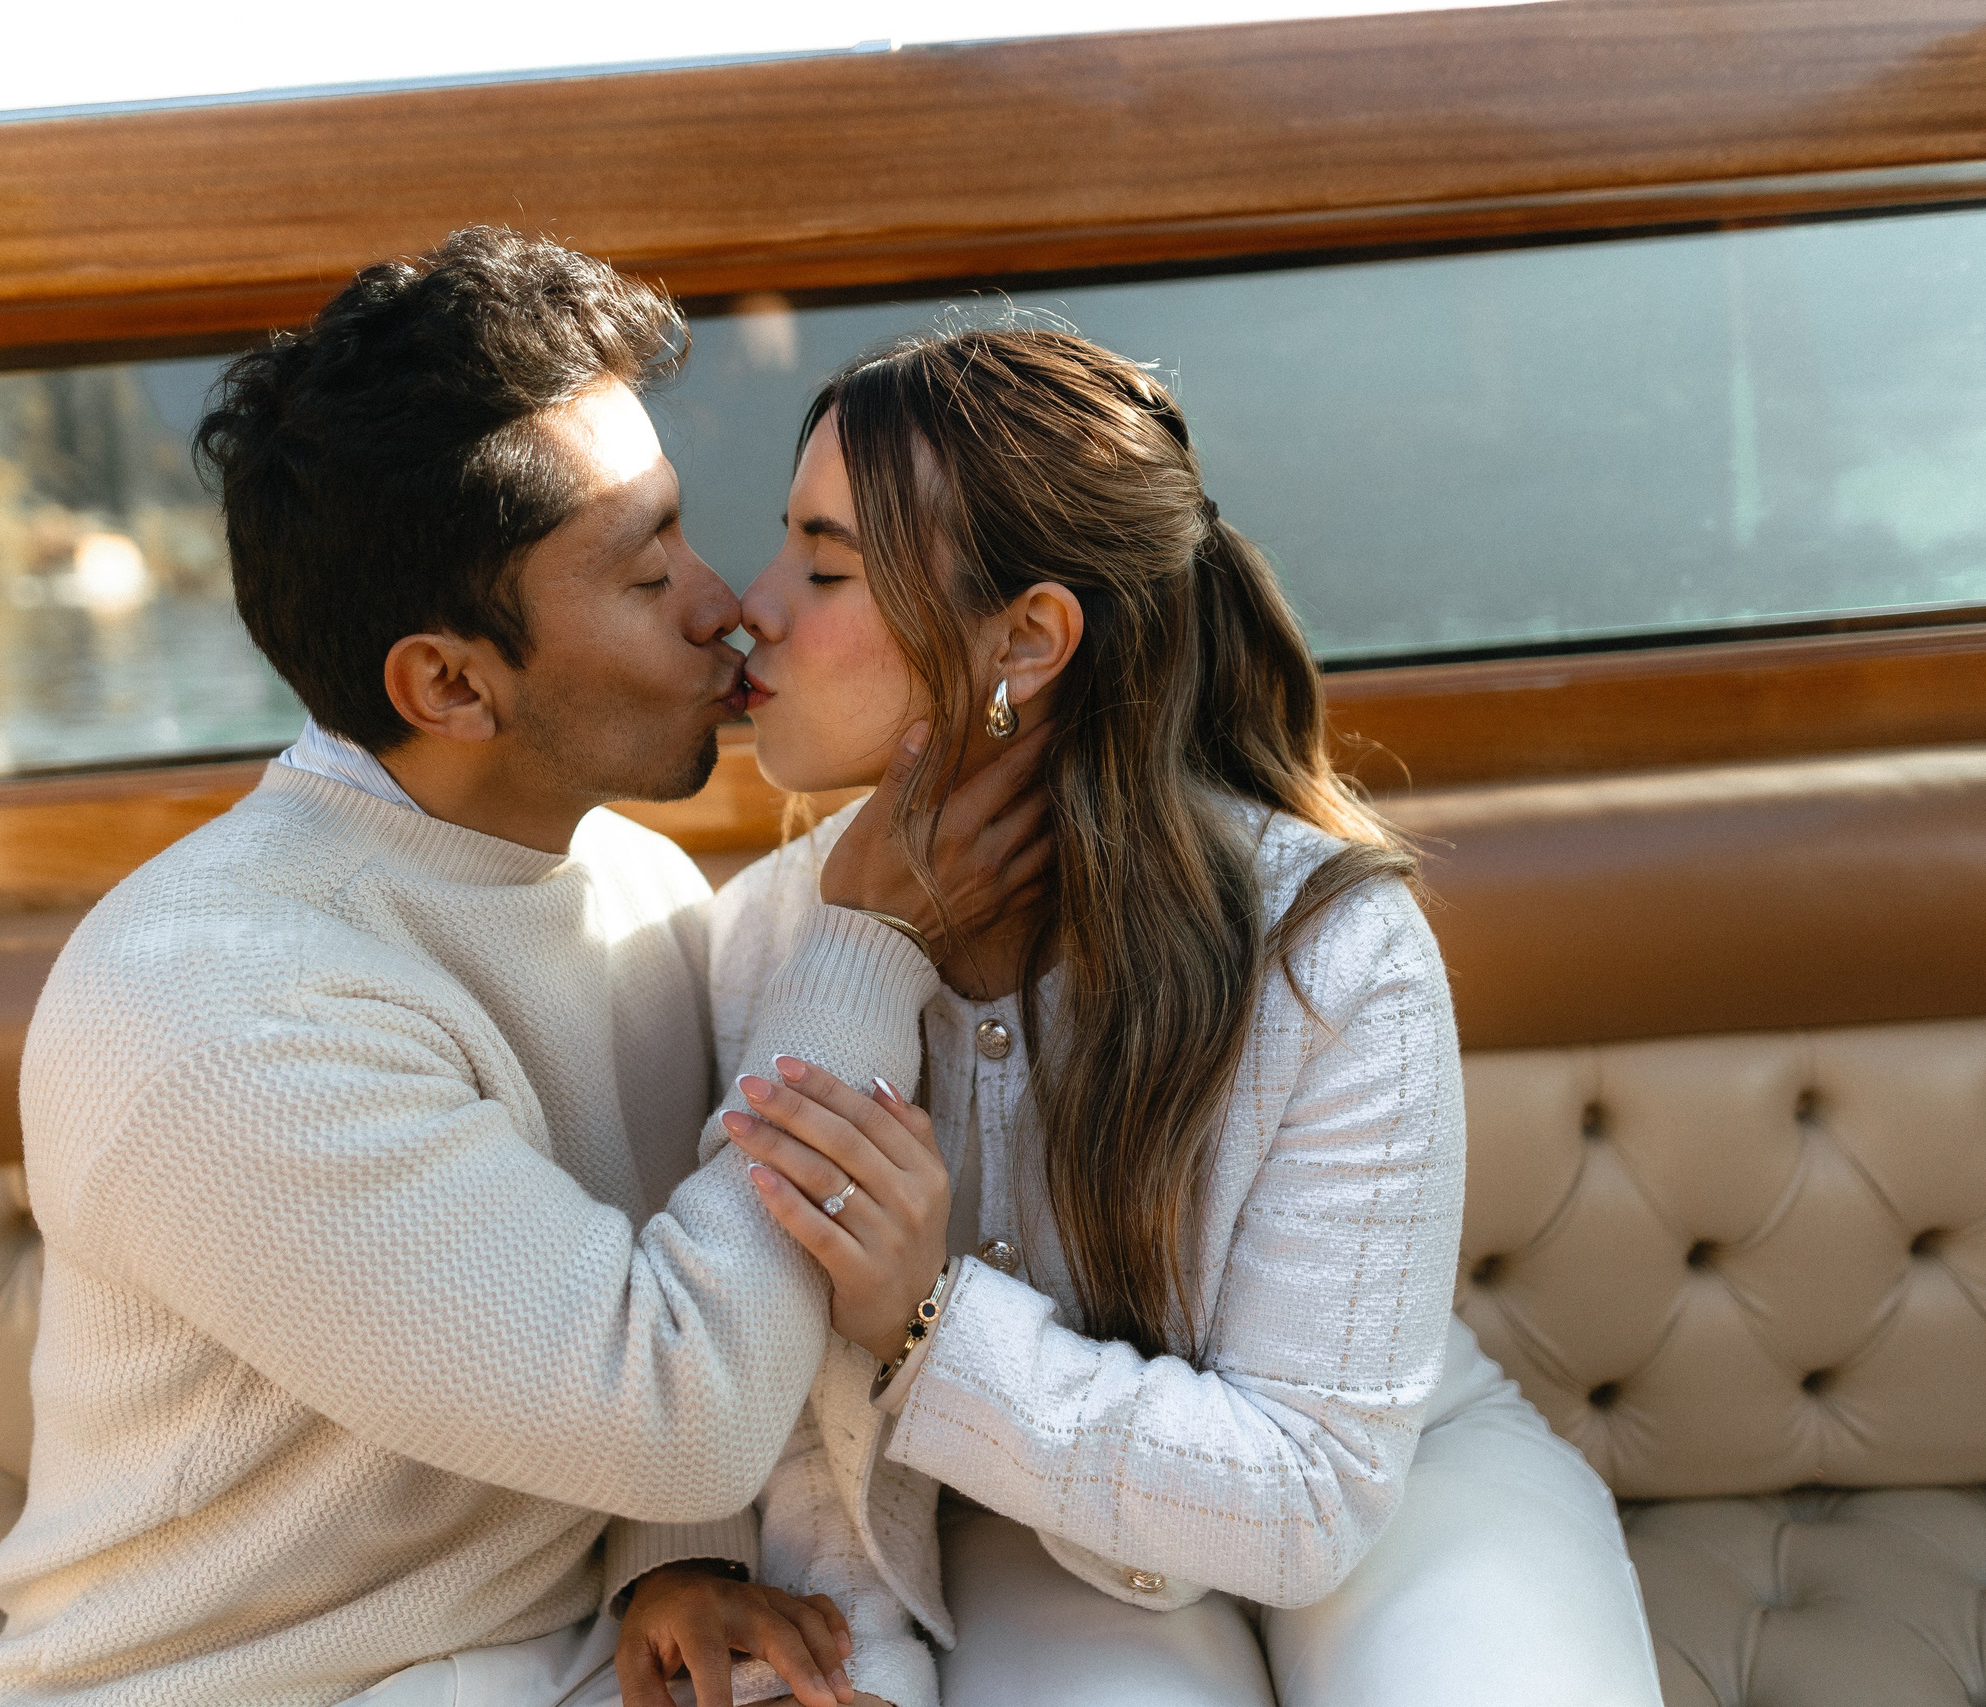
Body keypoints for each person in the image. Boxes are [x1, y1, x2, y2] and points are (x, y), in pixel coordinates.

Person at [0, 231, 1049, 1707]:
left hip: (552, 1663)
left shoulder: (631, 887)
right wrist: (866, 936)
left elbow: (641, 1352)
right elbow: (677, 1406)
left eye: (686, 533)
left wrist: (675, 1559)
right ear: (447, 684)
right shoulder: (218, 1005)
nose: (728, 605)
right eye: (649, 576)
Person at [710, 327, 1665, 1707]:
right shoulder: (771, 943)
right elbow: (794, 1424)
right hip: (1023, 1524)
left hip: (1398, 1493)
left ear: (1025, 640)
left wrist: (927, 1316)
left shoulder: (1326, 945)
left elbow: (1318, 1490)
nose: (756, 609)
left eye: (824, 565)